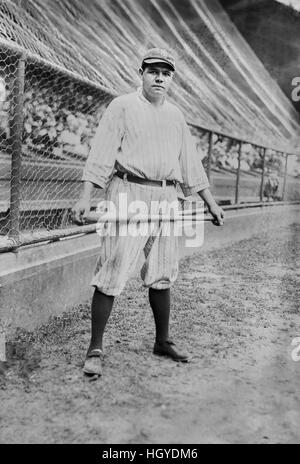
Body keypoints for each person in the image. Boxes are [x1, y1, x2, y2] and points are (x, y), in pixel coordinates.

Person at [72, 48, 224, 377]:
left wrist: (210, 202)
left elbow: (190, 164)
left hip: (167, 195)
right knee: (112, 267)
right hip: (128, 190)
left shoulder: (176, 115)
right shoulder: (123, 106)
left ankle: (163, 340)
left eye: (165, 73)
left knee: (163, 269)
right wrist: (86, 197)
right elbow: (101, 153)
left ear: (171, 80)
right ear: (140, 73)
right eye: (152, 71)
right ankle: (95, 347)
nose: (159, 77)